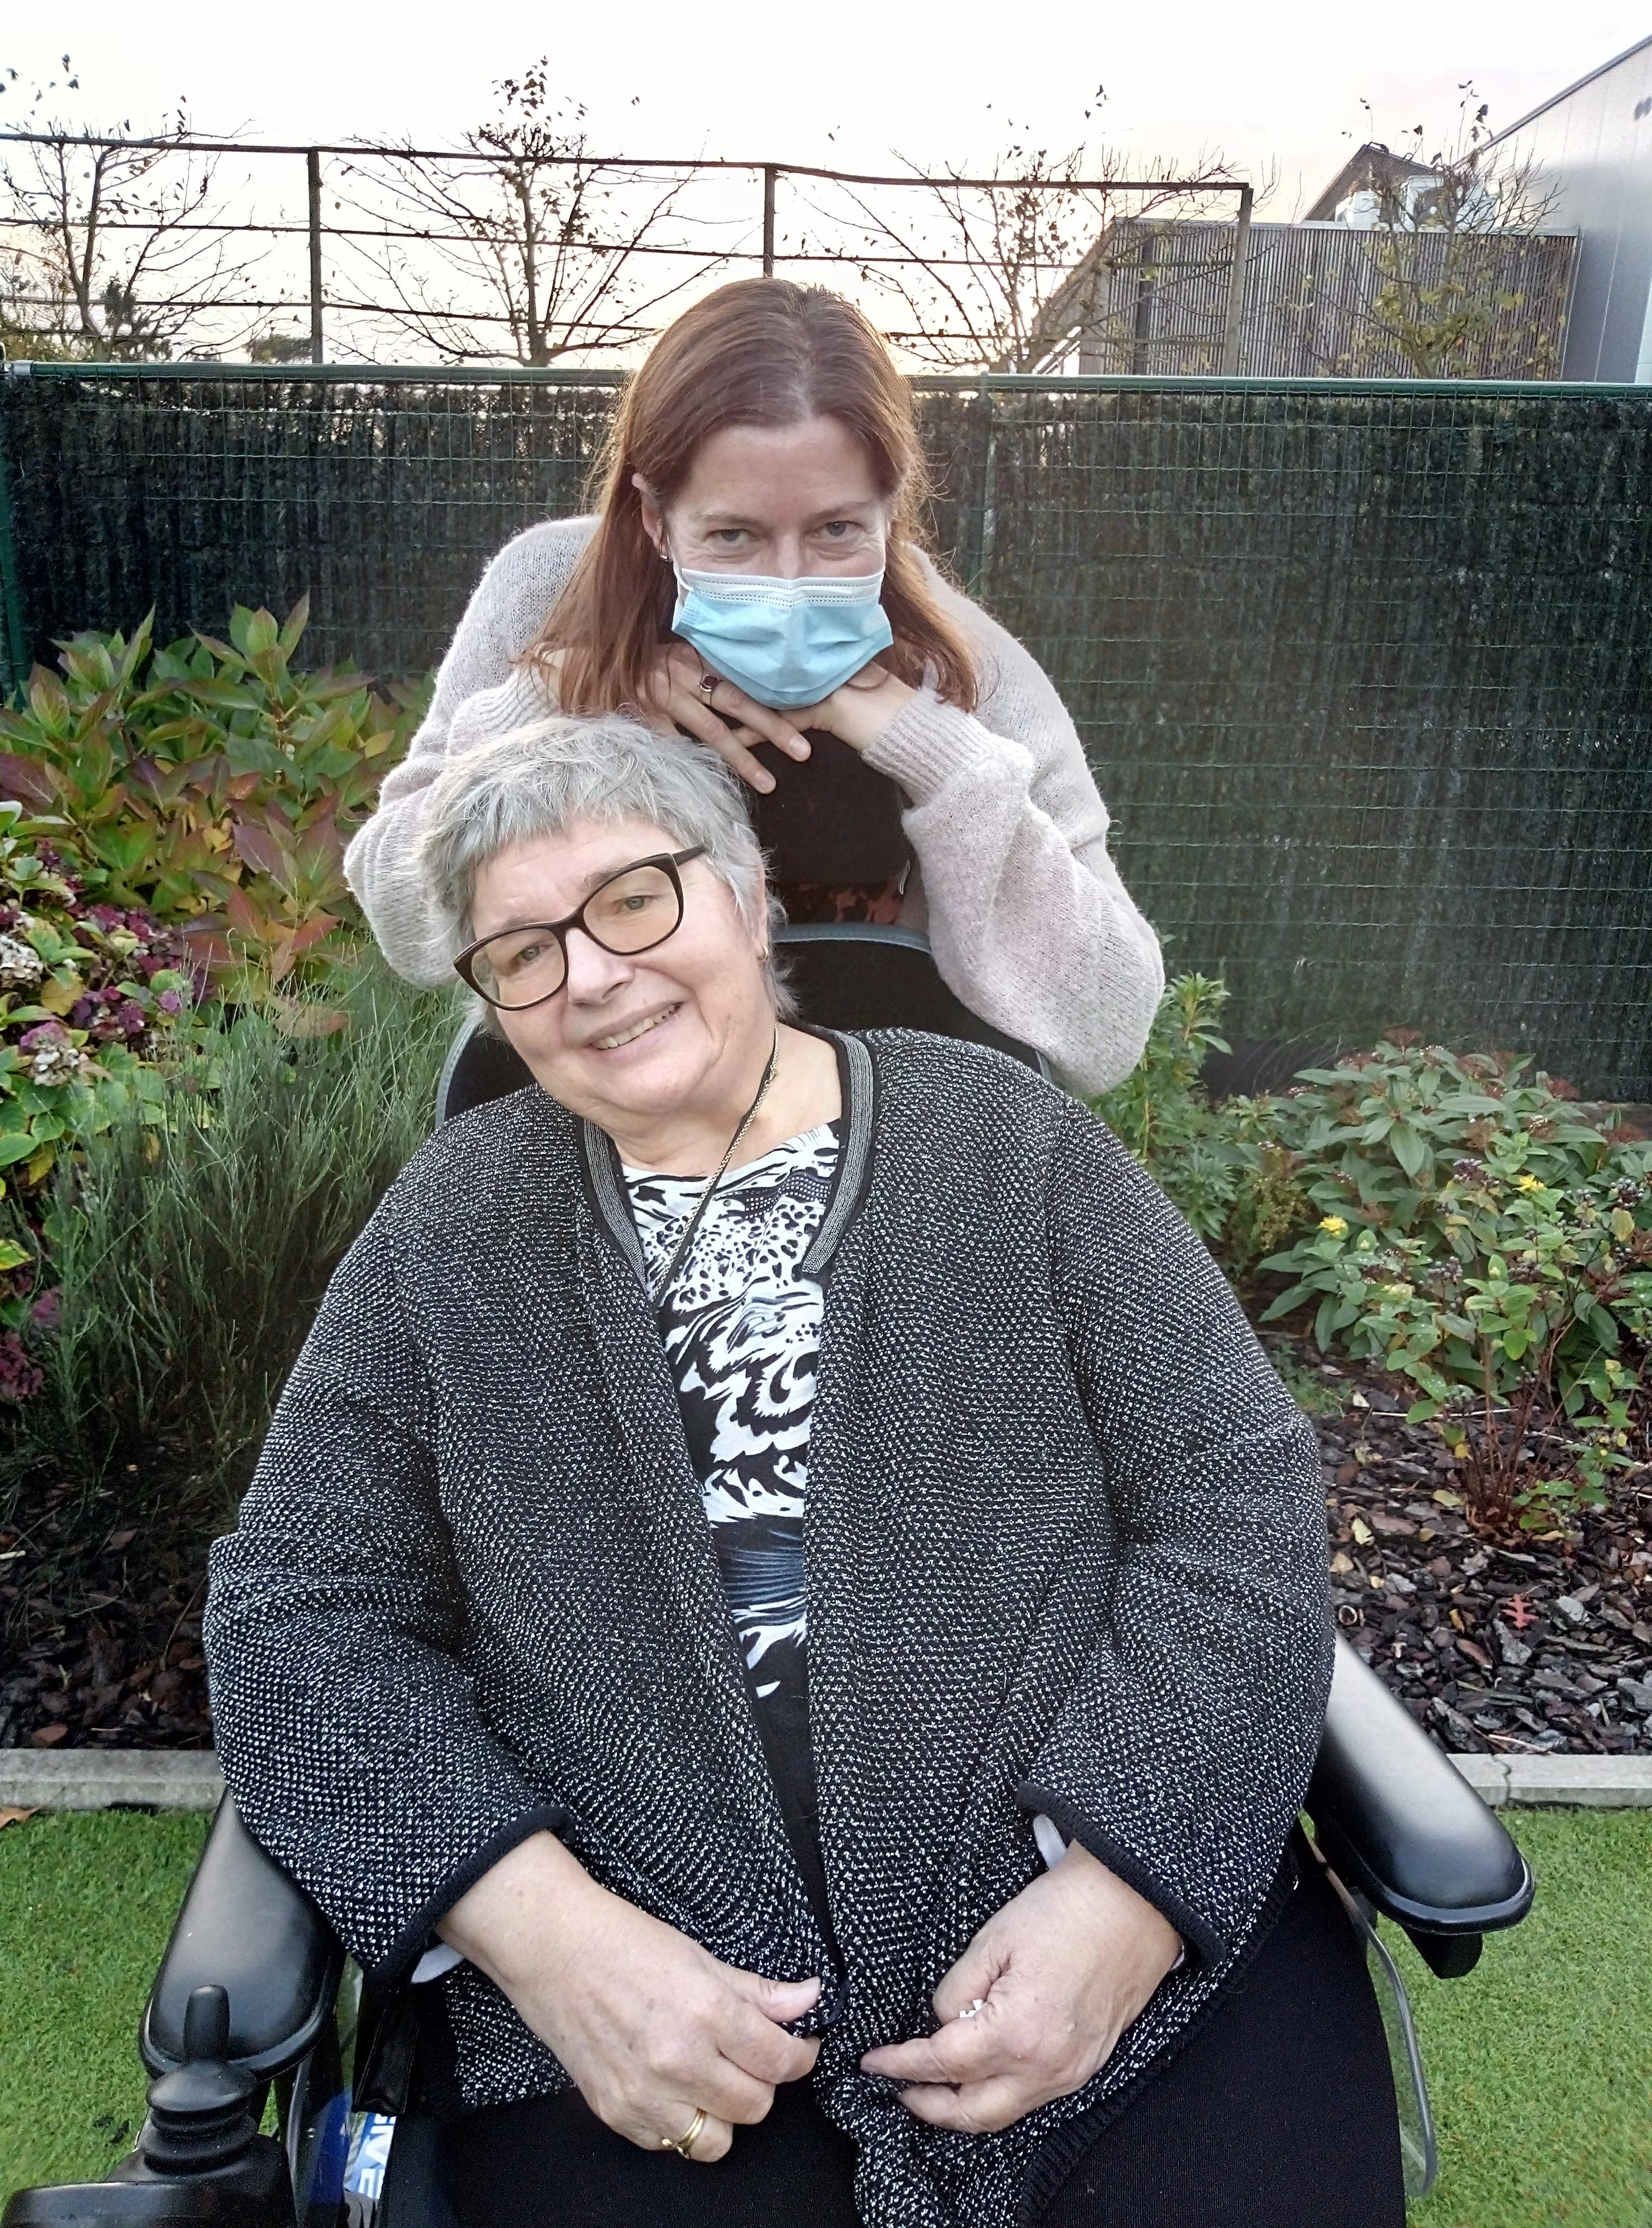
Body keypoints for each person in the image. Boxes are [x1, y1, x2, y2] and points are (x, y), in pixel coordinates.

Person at [207, 716, 1403, 2228]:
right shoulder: (448, 1231)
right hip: (652, 2027)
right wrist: (542, 1929)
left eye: (634, 899)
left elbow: (1229, 1482)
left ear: (748, 892)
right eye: (520, 950)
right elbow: (298, 1610)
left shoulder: (1012, 1145)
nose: (588, 974)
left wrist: (1133, 1893)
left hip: (1119, 1962)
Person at [342, 279, 1164, 1097]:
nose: (788, 581)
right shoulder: (550, 591)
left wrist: (936, 752)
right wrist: (558, 697)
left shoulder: (960, 663)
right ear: (657, 519)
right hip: (603, 1130)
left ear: (892, 509)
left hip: (900, 1137)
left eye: (836, 530)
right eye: (732, 535)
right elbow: (406, 923)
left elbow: (1108, 1026)